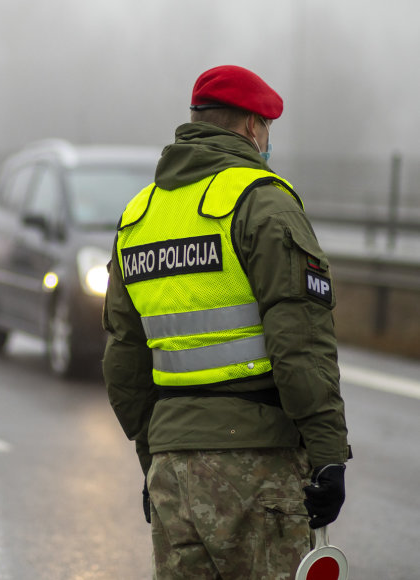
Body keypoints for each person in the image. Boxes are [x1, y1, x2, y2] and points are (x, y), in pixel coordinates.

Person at [102, 65, 350, 579]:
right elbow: (299, 343)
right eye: (266, 131)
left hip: (172, 468)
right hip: (257, 463)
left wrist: (155, 459)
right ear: (250, 128)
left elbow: (124, 360)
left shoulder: (141, 216)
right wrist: (327, 453)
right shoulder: (262, 201)